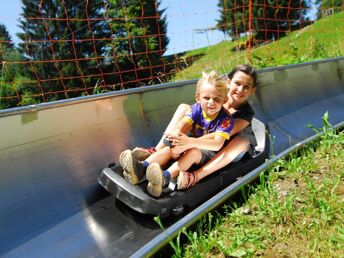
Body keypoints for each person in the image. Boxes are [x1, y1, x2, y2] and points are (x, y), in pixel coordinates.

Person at [123, 64, 257, 192]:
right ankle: (155, 153)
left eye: (246, 87)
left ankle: (194, 176)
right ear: (229, 82)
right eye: (237, 83)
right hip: (199, 139)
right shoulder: (215, 95)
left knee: (242, 140)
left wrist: (187, 142)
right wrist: (176, 136)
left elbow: (217, 138)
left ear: (252, 90)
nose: (240, 90)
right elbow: (190, 116)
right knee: (184, 108)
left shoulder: (241, 114)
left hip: (224, 149)